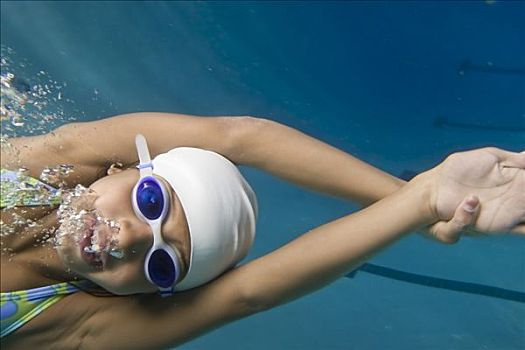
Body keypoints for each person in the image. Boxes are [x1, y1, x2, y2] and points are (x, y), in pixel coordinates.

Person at [1, 112, 523, 349]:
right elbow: (241, 137)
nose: (136, 236)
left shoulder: (77, 325)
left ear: (148, 293)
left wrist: (424, 202)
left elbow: (246, 295)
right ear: (121, 167)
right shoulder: (53, 159)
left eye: (162, 264)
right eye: (151, 200)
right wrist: (409, 200)